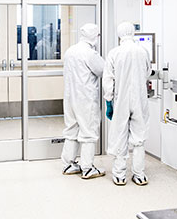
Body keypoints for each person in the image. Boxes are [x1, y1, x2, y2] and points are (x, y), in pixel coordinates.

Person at [103, 22, 152, 186]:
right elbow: (148, 72)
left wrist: (108, 100)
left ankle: (119, 175)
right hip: (139, 98)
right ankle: (139, 174)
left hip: (121, 100)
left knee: (120, 135)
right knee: (139, 137)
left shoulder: (114, 53)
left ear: (119, 35)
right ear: (133, 33)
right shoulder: (143, 51)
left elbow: (109, 79)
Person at [61, 23, 105, 179]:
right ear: (93, 36)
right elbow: (103, 71)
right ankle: (87, 167)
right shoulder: (90, 53)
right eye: (98, 35)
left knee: (71, 130)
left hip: (70, 97)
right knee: (89, 132)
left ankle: (68, 164)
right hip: (85, 99)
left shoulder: (70, 51)